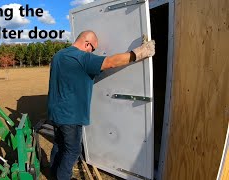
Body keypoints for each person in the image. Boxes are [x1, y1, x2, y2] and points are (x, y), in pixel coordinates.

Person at [47, 30, 155, 180]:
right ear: (87, 44)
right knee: (72, 150)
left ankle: (53, 174)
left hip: (55, 112)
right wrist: (140, 52)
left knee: (59, 145)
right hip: (70, 116)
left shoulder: (59, 55)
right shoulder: (82, 58)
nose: (92, 52)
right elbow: (110, 62)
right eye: (93, 48)